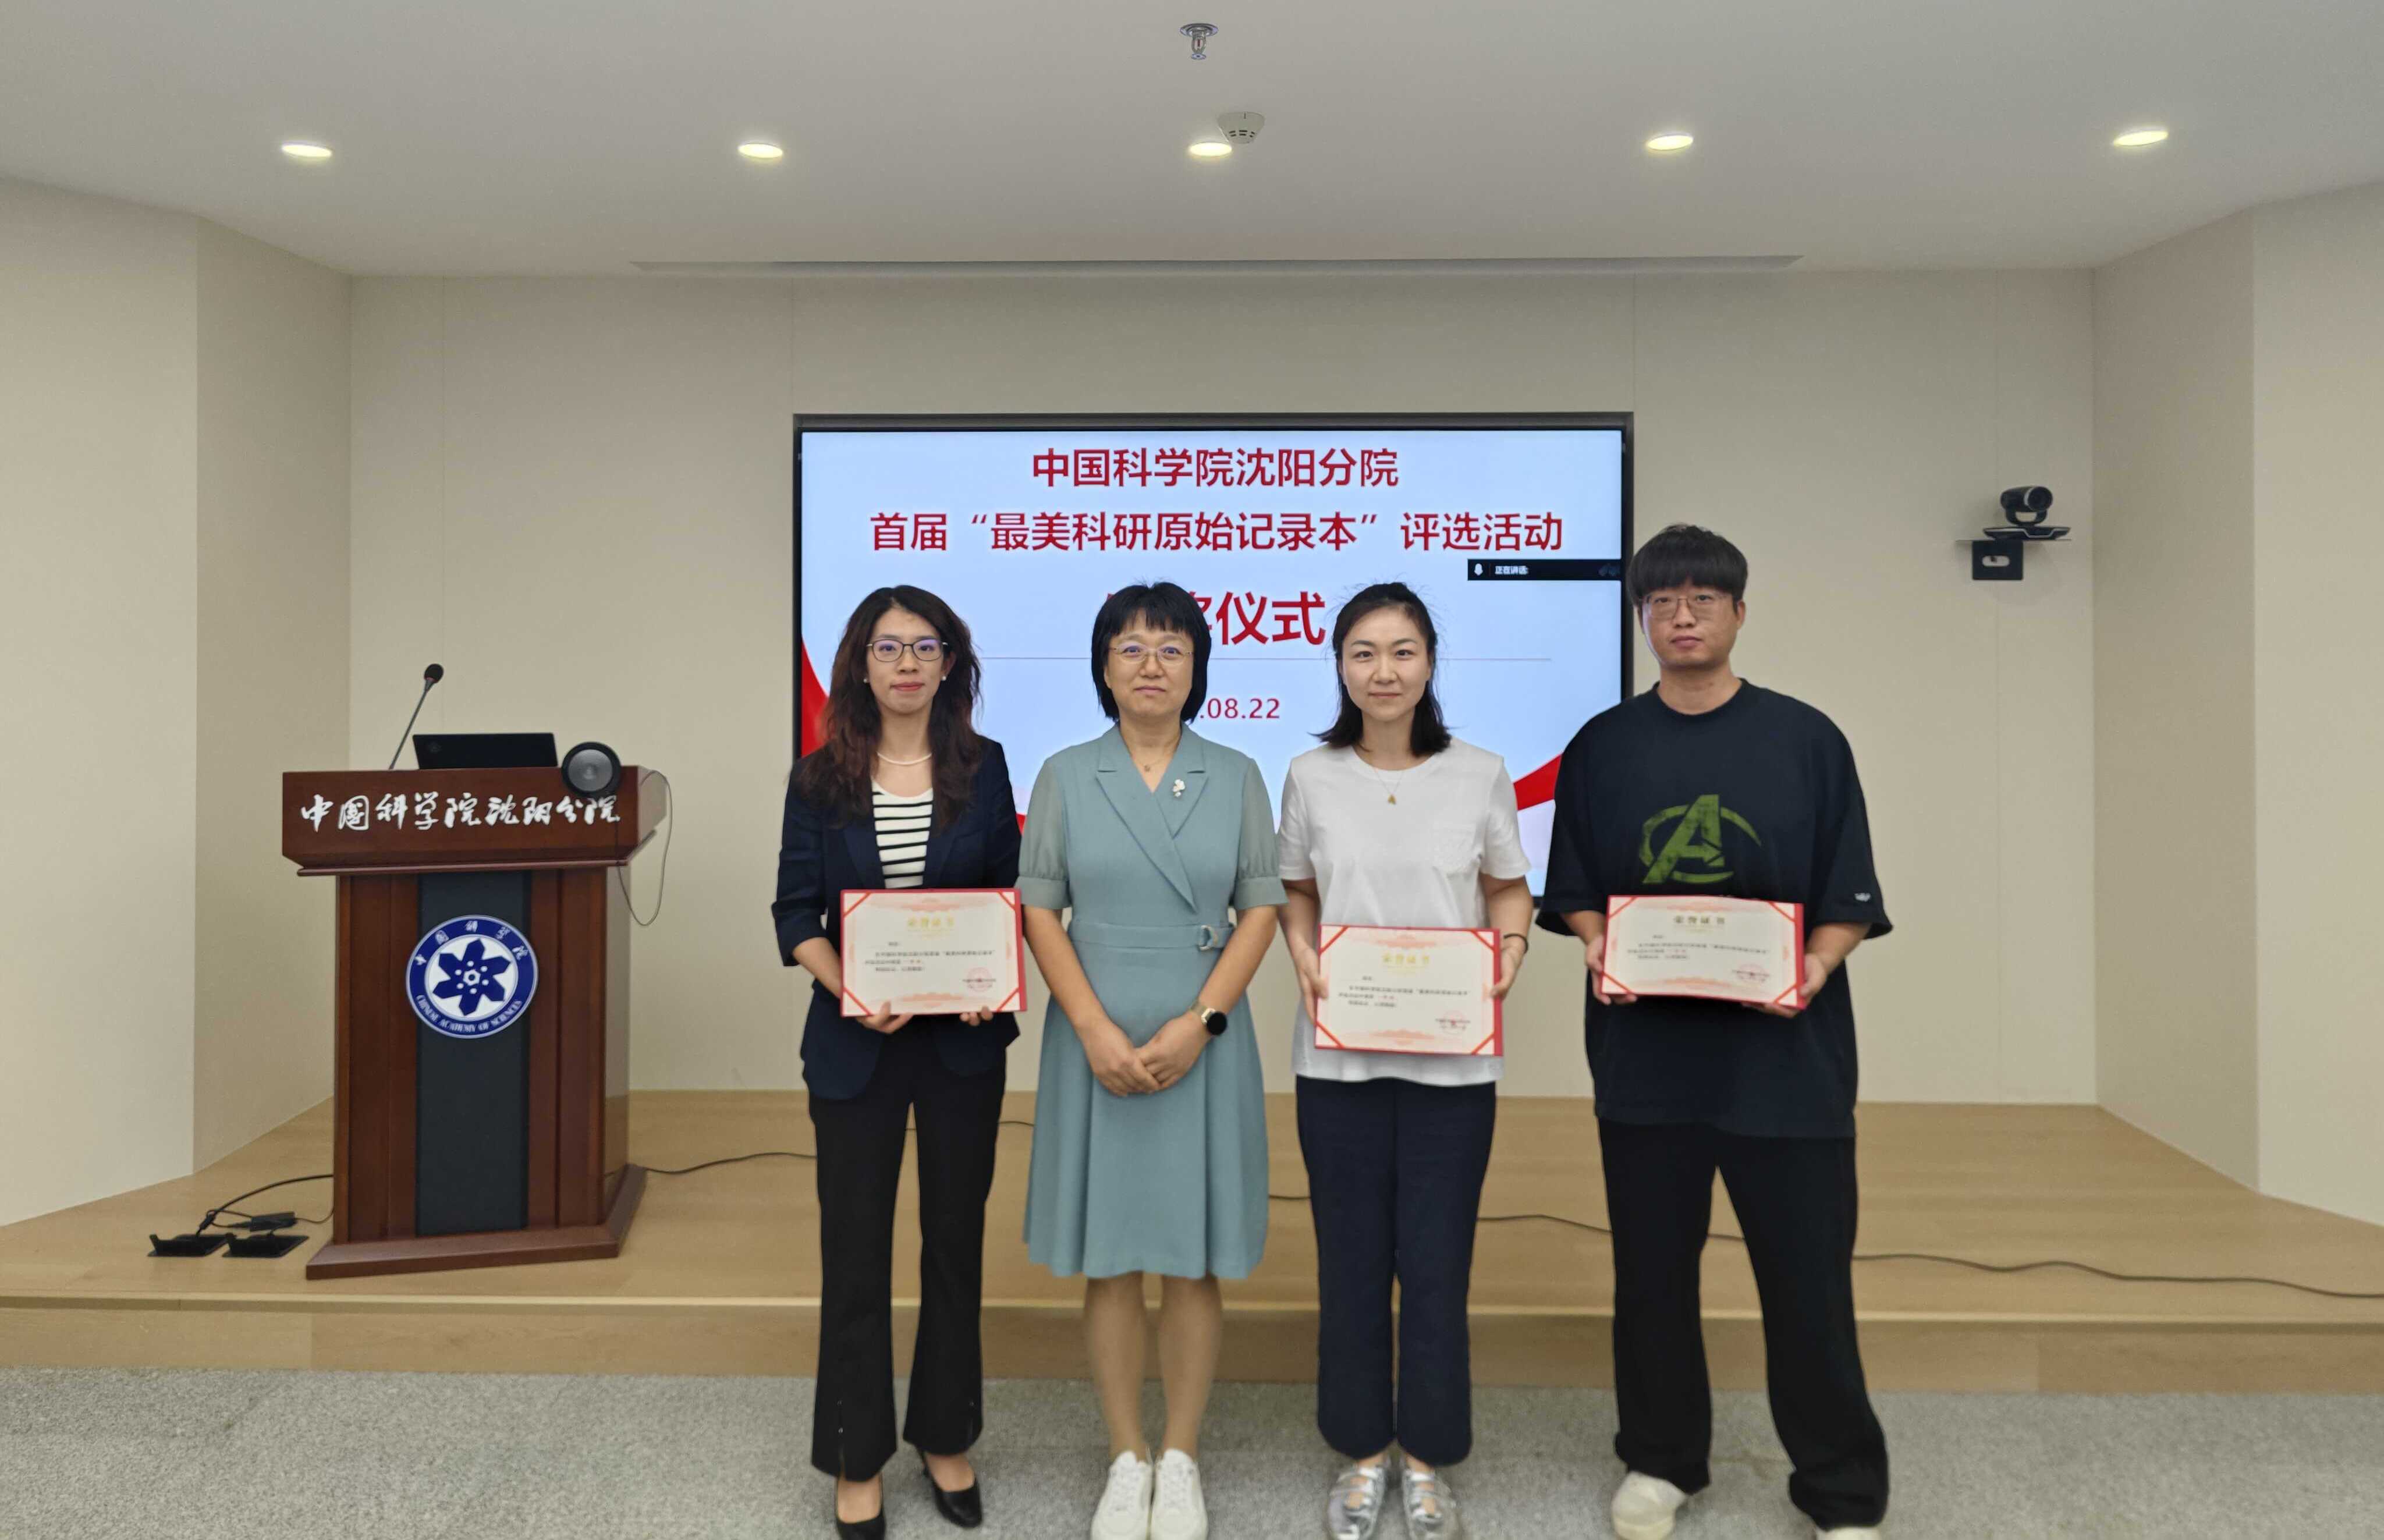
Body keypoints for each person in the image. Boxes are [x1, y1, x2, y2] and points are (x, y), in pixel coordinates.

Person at [1537, 525, 1892, 1540]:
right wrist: (1602, 945)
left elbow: (1849, 894)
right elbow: (1576, 889)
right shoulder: (1603, 744)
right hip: (1648, 1061)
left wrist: (1812, 966)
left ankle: (1841, 1490)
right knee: (1652, 1275)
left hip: (1789, 1061)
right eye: (1662, 601)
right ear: (1641, 619)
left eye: (1702, 598)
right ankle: (1661, 1458)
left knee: (1808, 1282)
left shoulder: (1808, 739)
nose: (1682, 616)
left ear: (1739, 611)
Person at [1016, 581, 1285, 1540]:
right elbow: (1039, 907)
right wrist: (1090, 1025)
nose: (1150, 665)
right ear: (1103, 667)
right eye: (1129, 647)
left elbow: (1262, 906)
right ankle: (1125, 1456)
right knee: (1112, 1255)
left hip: (1199, 1030)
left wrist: (1202, 1022)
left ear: (1198, 667)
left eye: (1171, 648)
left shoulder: (1237, 773)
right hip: (1093, 1027)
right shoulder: (1064, 773)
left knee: (1192, 1254)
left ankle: (1181, 1456)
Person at [1275, 583, 1534, 1540]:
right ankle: (1360, 1451)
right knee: (1349, 1261)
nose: (1383, 670)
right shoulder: (1311, 774)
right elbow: (1297, 889)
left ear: (1430, 662)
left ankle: (1425, 1455)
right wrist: (1302, 950)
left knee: (1435, 1263)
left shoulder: (1480, 772)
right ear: (1340, 666)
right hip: (1336, 1060)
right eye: (1363, 652)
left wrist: (1511, 947)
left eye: (1402, 651)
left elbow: (1508, 888)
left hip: (1451, 1066)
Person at [772, 586, 1021, 1539]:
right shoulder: (818, 778)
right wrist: (850, 987)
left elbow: (1006, 893)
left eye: (925, 646)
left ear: (950, 663)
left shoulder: (985, 767)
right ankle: (856, 1449)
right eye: (888, 647)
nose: (907, 663)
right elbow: (794, 911)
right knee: (855, 1249)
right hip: (856, 1044)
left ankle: (947, 1433)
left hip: (961, 1042)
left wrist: (988, 977)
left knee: (955, 1243)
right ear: (860, 664)